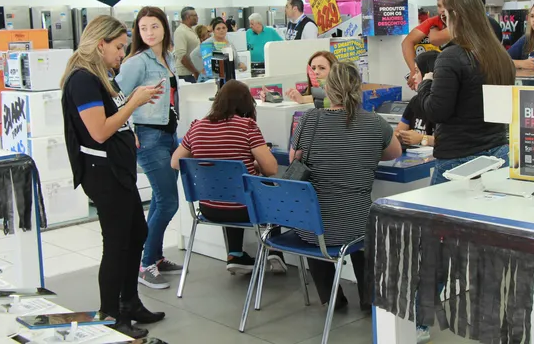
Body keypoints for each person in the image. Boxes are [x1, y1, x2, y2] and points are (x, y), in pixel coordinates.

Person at [59, 15, 166, 339]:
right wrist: (134, 103)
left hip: (117, 168)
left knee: (137, 231)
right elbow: (99, 131)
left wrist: (128, 128)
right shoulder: (82, 80)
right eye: (119, 47)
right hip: (101, 172)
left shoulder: (103, 76)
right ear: (100, 43)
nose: (123, 53)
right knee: (117, 242)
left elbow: (113, 118)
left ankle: (130, 302)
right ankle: (111, 314)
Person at [289, 62, 403, 310]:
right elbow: (394, 152)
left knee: (317, 222)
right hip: (356, 225)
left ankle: (332, 299)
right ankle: (368, 297)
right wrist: (365, 153)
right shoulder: (375, 122)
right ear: (358, 89)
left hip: (309, 228)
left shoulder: (308, 119)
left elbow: (292, 160)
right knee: (365, 224)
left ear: (327, 90)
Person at [171, 80, 287, 274]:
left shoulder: (197, 127)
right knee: (262, 188)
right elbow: (272, 169)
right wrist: (255, 163)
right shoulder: (247, 126)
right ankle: (273, 250)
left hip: (209, 208)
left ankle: (234, 253)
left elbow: (175, 163)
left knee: (229, 187)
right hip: (245, 209)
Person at [413, 0, 515, 185]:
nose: (444, 23)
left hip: (458, 159)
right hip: (499, 153)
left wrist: (424, 84)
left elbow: (436, 112)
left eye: (445, 17)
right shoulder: (502, 56)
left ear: (455, 16)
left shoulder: (451, 56)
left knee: (442, 216)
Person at [115, 7, 183, 291]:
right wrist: (127, 129)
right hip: (148, 136)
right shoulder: (137, 62)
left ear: (164, 28)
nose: (149, 32)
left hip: (169, 134)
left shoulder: (167, 58)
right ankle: (145, 265)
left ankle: (154, 254)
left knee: (160, 197)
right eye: (143, 28)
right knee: (169, 201)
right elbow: (116, 97)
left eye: (154, 26)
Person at [401, 0, 502, 88]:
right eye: (439, 6)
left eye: (445, 6)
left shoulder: (470, 24)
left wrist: (433, 30)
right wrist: (415, 71)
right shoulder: (435, 21)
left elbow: (435, 39)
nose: (442, 10)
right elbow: (407, 42)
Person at [394, 51, 438, 148]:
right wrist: (399, 136)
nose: (413, 77)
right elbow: (399, 131)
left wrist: (422, 139)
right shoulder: (415, 101)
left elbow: (451, 142)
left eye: (417, 72)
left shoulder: (444, 103)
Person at [173, 6, 202, 83]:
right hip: (185, 74)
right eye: (195, 15)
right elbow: (182, 56)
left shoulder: (189, 30)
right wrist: (195, 71)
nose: (197, 17)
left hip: (192, 72)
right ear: (188, 17)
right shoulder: (181, 31)